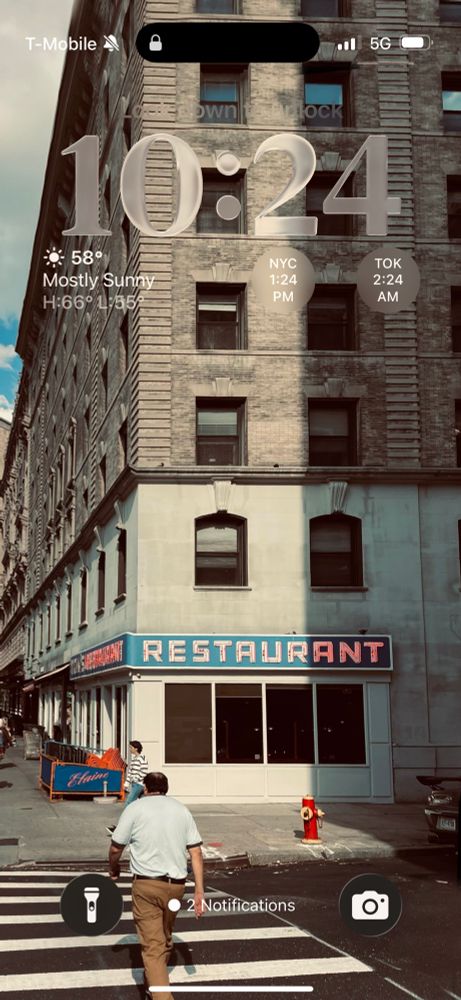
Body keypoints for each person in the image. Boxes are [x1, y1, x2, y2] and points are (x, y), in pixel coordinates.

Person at [108, 771, 204, 1000]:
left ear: (145, 788)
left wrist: (114, 868)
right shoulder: (181, 810)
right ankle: (152, 980)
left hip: (146, 886)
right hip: (176, 887)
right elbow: (196, 852)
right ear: (166, 788)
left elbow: (115, 847)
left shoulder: (135, 809)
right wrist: (199, 891)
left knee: (153, 947)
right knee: (165, 938)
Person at [106, 739, 149, 836]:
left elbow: (144, 772)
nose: (129, 749)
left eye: (131, 747)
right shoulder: (134, 760)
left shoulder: (142, 759)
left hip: (139, 784)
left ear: (136, 748)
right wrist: (127, 783)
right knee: (144, 806)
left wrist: (136, 779)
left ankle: (120, 829)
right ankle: (141, 827)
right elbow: (130, 773)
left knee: (128, 805)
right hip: (135, 784)